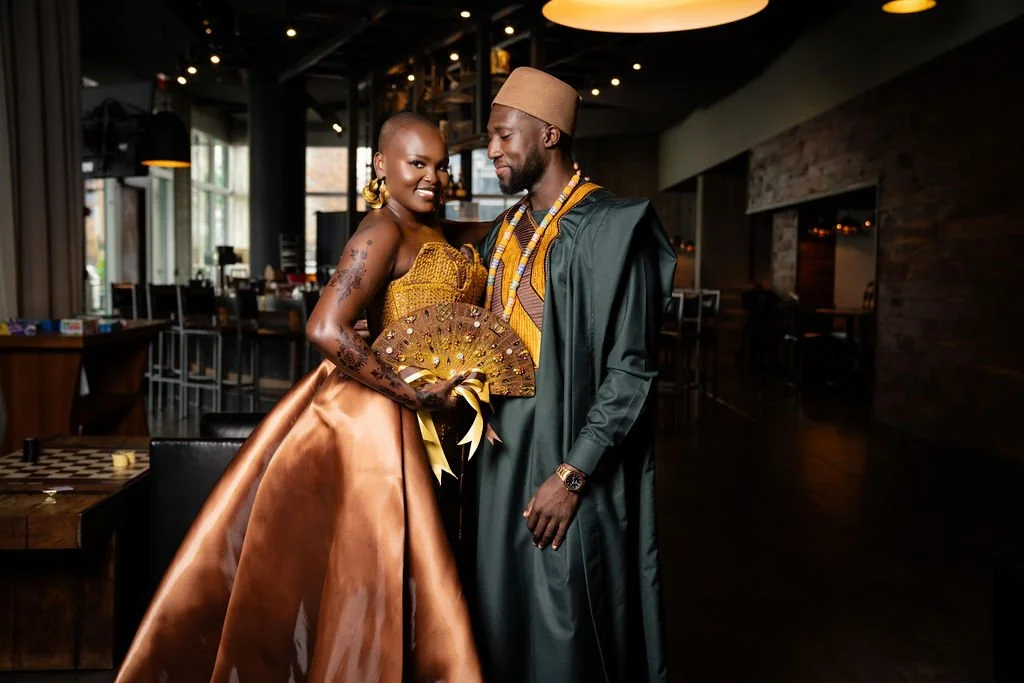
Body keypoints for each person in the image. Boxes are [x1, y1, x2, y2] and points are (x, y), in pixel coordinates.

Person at [115, 112, 484, 683]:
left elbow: (473, 237)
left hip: (436, 423)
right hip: (383, 420)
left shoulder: (432, 228)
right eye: (417, 163)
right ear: (380, 166)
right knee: (378, 570)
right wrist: (411, 395)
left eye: (440, 165)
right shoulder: (381, 231)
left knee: (420, 566)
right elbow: (325, 327)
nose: (432, 177)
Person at [462, 67, 676, 682]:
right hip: (497, 462)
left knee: (569, 625)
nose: (492, 149)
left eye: (504, 135)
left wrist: (573, 473)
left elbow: (631, 372)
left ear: (550, 135)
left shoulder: (615, 228)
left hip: (568, 461)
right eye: (490, 137)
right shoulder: (502, 233)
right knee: (497, 617)